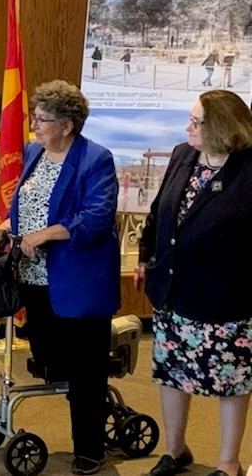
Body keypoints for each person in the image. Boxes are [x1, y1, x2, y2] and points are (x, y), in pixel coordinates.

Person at [0, 79, 120, 475]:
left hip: (78, 281)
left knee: (86, 372)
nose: (34, 124)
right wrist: (10, 222)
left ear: (68, 125)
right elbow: (29, 200)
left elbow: (96, 218)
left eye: (43, 119)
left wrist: (44, 234)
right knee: (52, 362)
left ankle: (90, 448)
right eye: (35, 116)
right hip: (34, 278)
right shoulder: (35, 151)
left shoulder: (95, 160)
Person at [135, 90, 252, 476]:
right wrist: (144, 258)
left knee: (231, 382)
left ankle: (227, 463)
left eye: (196, 121)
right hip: (172, 290)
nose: (188, 126)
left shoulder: (247, 169)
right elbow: (158, 212)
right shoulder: (183, 154)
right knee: (171, 373)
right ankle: (174, 450)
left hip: (227, 297)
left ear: (221, 127)